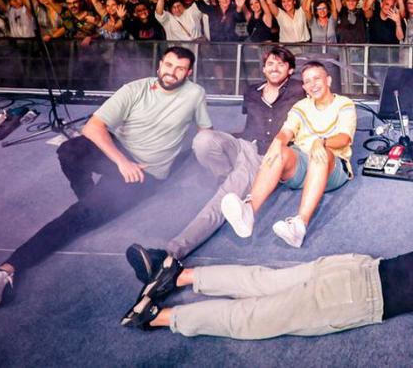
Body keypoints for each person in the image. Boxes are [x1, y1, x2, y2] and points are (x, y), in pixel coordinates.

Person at [0, 46, 212, 309]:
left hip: (146, 174)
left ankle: (5, 270)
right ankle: (89, 200)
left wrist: (212, 156)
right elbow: (93, 127)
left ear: (189, 72)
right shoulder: (134, 89)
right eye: (168, 65)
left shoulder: (195, 94)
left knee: (77, 218)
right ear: (159, 66)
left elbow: (205, 132)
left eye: (179, 68)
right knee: (69, 150)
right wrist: (122, 162)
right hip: (121, 157)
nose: (172, 72)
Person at [121, 210, 413, 338]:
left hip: (353, 267)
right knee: (254, 318)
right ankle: (159, 316)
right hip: (354, 298)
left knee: (262, 281)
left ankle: (178, 275)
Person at [122, 46, 303, 284]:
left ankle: (171, 253)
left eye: (280, 64)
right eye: (270, 63)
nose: (274, 67)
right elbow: (249, 124)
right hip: (243, 145)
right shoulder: (251, 91)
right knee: (204, 139)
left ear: (290, 70)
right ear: (263, 67)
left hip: (263, 156)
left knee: (220, 199)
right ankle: (231, 180)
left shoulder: (300, 90)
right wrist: (226, 142)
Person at [219, 61, 356, 248]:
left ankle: (299, 226)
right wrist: (277, 142)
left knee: (320, 153)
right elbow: (286, 131)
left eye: (317, 79)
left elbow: (344, 138)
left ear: (329, 80)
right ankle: (248, 211)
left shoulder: (344, 104)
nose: (312, 84)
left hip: (332, 168)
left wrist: (321, 142)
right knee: (280, 151)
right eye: (307, 81)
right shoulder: (301, 106)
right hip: (301, 166)